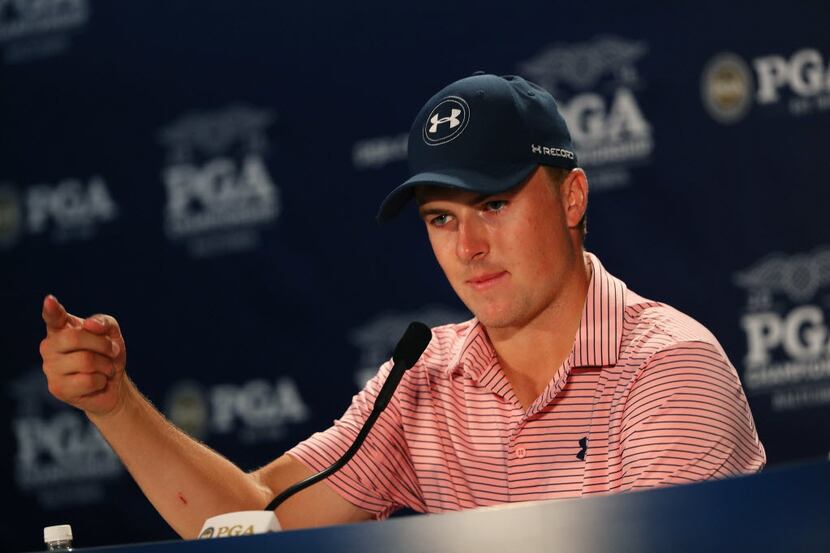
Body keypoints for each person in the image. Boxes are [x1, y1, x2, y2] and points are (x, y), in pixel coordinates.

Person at [39, 73, 765, 539]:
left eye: (493, 203)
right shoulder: (424, 379)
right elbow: (251, 515)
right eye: (441, 218)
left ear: (571, 197)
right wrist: (115, 406)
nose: (469, 246)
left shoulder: (670, 371)